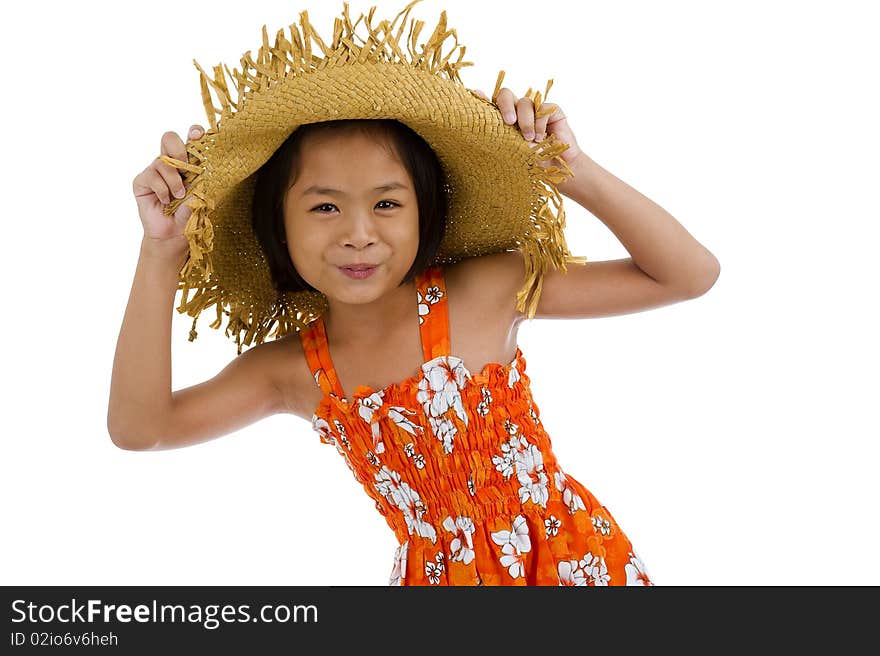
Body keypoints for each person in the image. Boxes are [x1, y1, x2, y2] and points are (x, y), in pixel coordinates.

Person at [108, 0, 719, 586]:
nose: (358, 234)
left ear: (425, 211)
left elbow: (687, 274)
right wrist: (161, 253)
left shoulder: (485, 288)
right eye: (324, 206)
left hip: (569, 565)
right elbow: (141, 428)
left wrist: (573, 171)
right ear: (278, 224)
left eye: (387, 203)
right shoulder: (291, 370)